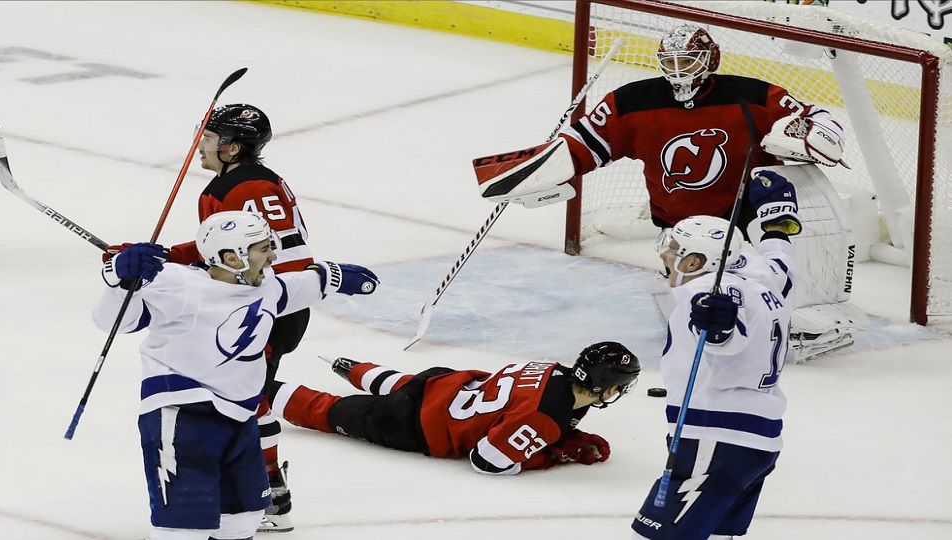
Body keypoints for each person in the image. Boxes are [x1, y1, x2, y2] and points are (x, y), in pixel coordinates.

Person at [472, 23, 856, 360]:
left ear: (710, 60)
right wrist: (531, 170)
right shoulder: (631, 102)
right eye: (670, 62)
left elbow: (811, 116)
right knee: (692, 314)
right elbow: (583, 145)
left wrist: (818, 133)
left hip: (746, 207)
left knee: (781, 267)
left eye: (687, 61)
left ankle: (810, 319)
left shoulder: (754, 96)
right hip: (682, 223)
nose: (678, 72)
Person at [93, 211, 378, 540]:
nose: (272, 255)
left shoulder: (267, 287)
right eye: (262, 248)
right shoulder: (180, 284)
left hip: (239, 420)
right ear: (232, 258)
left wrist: (331, 277)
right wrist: (118, 279)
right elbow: (113, 321)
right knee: (182, 529)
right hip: (182, 416)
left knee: (243, 519)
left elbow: (297, 287)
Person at [109, 104, 313, 531]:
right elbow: (221, 253)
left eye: (207, 137)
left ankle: (270, 496)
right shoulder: (249, 181)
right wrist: (165, 255)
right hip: (270, 300)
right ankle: (259, 492)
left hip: (264, 304)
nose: (198, 144)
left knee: (246, 398)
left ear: (231, 146)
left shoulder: (237, 190)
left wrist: (162, 269)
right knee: (242, 392)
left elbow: (243, 260)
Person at [631, 170, 799, 539]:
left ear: (694, 263)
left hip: (715, 434)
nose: (664, 252)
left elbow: (724, 339)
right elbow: (782, 262)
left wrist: (718, 324)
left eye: (674, 248)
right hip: (758, 440)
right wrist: (775, 218)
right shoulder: (762, 276)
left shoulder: (705, 290)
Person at [264, 342, 641, 474]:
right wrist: (555, 453)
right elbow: (489, 461)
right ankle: (255, 388)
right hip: (414, 423)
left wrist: (565, 433)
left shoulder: (553, 370)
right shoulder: (545, 418)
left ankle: (350, 366)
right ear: (605, 386)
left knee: (404, 383)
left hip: (442, 384)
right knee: (328, 410)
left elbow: (518, 406)